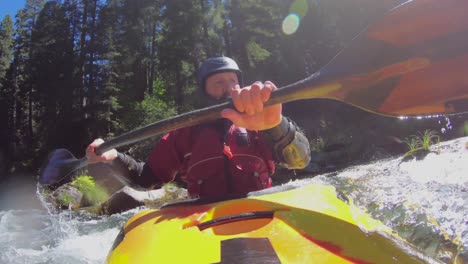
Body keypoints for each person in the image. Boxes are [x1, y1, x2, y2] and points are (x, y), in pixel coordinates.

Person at [86, 57, 311, 198]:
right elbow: (147, 177)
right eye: (219, 83)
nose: (229, 89)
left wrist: (277, 125)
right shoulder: (185, 131)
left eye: (233, 81)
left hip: (261, 209)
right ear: (205, 92)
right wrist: (115, 156)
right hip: (203, 219)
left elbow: (301, 161)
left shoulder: (262, 121)